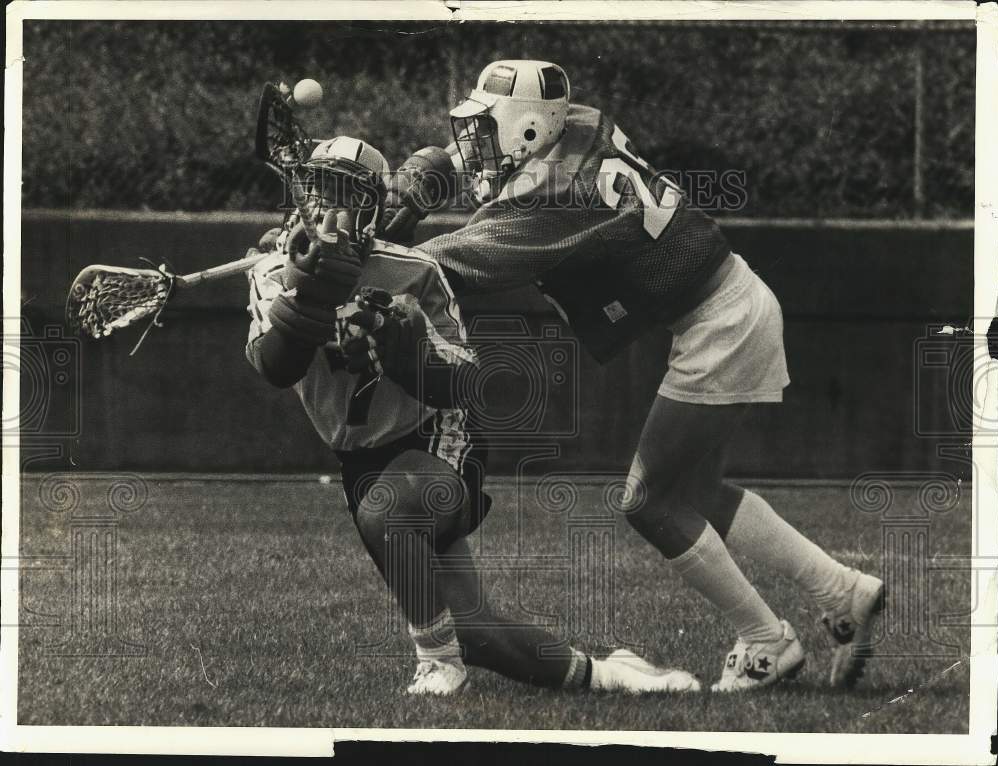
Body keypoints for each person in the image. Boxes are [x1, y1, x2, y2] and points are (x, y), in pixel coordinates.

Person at [379, 60, 885, 692]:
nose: (471, 145)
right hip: (733, 303)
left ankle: (765, 641)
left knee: (647, 501)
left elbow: (444, 263)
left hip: (720, 324)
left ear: (531, 131)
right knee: (695, 490)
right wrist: (439, 171)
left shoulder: (553, 197)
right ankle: (841, 591)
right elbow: (503, 167)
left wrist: (359, 251)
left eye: (485, 131)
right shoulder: (581, 125)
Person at [245, 134, 701, 696]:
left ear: (370, 207)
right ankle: (614, 674)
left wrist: (400, 344)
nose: (326, 208)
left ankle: (437, 665)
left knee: (390, 513)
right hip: (360, 459)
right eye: (316, 191)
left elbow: (462, 380)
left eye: (344, 193)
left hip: (438, 439)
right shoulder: (272, 271)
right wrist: (307, 300)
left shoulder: (414, 270)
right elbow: (275, 366)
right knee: (477, 631)